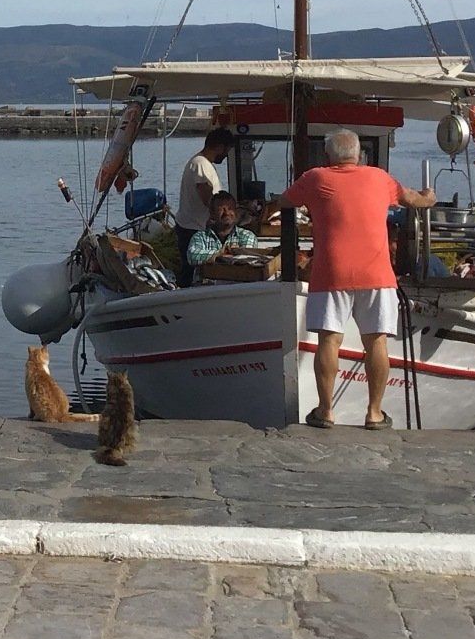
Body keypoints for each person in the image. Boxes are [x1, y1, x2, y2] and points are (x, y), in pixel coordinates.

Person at [272, 130, 437, 430]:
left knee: (329, 340)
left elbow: (284, 200)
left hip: (331, 272)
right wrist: (429, 197)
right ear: (359, 155)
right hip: (377, 273)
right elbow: (413, 199)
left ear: (327, 156)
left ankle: (325, 411)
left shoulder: (315, 178)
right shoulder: (379, 178)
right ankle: (374, 413)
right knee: (376, 341)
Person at [173, 129, 235, 285]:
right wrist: (225, 216)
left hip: (195, 227)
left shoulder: (203, 164)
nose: (226, 155)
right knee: (192, 273)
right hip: (192, 229)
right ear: (220, 147)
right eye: (227, 150)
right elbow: (207, 197)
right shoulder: (200, 164)